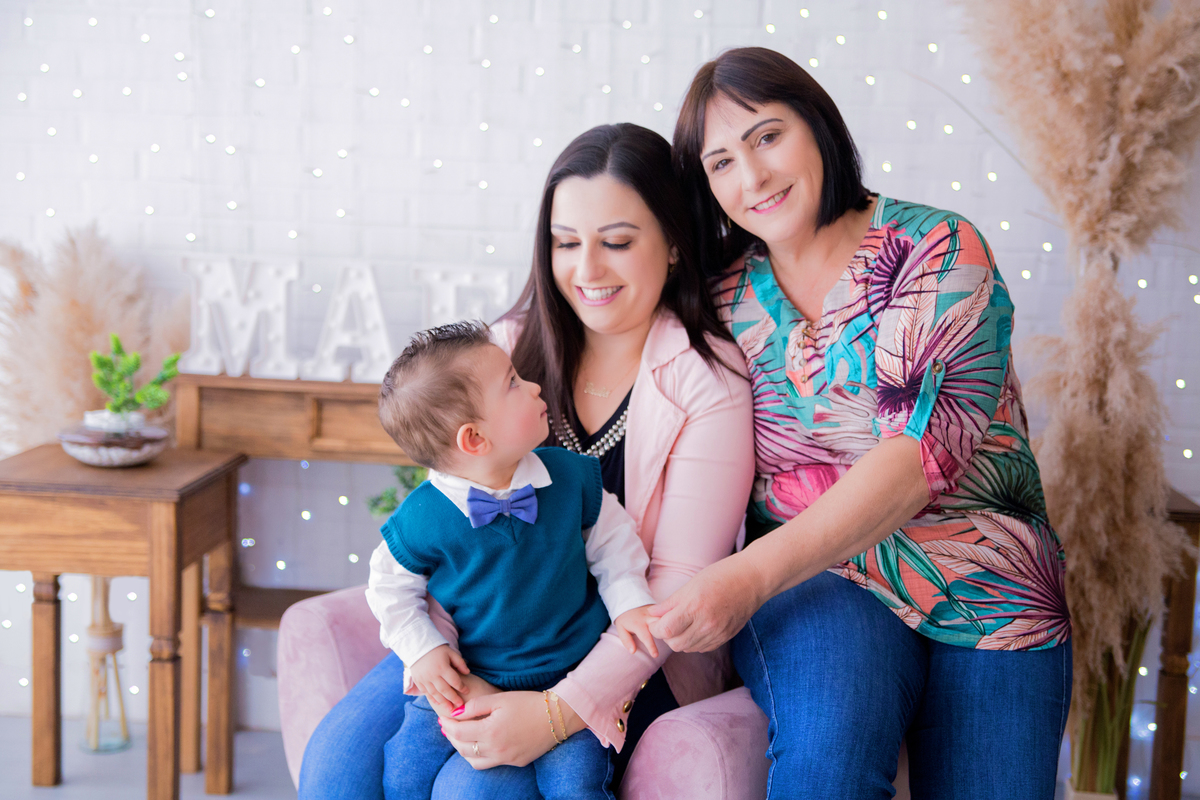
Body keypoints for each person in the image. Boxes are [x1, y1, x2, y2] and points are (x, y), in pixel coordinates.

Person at [645, 46, 1074, 799]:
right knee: (828, 767)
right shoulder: (717, 301)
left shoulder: (937, 249)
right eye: (720, 163)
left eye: (767, 137)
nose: (752, 178)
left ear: (817, 126)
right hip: (820, 580)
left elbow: (916, 459)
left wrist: (742, 578)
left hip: (991, 584)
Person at [297, 123, 755, 799]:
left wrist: (552, 714)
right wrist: (457, 666)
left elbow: (674, 595)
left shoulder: (707, 383)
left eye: (618, 243)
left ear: (677, 243)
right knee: (338, 767)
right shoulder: (506, 348)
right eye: (566, 243)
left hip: (619, 656)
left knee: (478, 791)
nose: (587, 270)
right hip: (483, 641)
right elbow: (454, 524)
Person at [367, 320, 661, 800]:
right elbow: (388, 589)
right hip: (469, 676)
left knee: (576, 782)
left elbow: (614, 545)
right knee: (404, 768)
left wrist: (629, 602)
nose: (534, 385)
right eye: (512, 384)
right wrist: (421, 649)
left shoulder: (571, 478)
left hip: (568, 671)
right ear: (475, 440)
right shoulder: (422, 517)